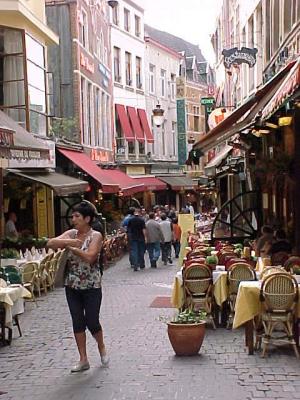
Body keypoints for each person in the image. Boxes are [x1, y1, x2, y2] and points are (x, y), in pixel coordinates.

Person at [47, 201, 109, 373]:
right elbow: (51, 243)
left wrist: (73, 248)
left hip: (91, 285)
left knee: (92, 320)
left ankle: (101, 346)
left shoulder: (95, 235)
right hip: (72, 284)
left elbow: (90, 257)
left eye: (77, 216)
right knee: (77, 320)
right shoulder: (71, 233)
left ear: (87, 219)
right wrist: (67, 241)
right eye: (72, 216)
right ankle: (83, 359)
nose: (73, 219)